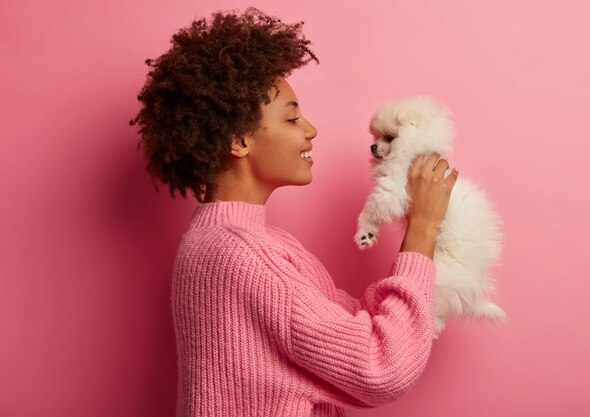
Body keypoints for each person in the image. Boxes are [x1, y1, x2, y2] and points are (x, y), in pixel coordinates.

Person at [130, 7, 458, 417]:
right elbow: (382, 368)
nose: (310, 129)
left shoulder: (234, 244)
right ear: (238, 140)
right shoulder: (245, 257)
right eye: (291, 117)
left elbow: (356, 325)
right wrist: (423, 228)